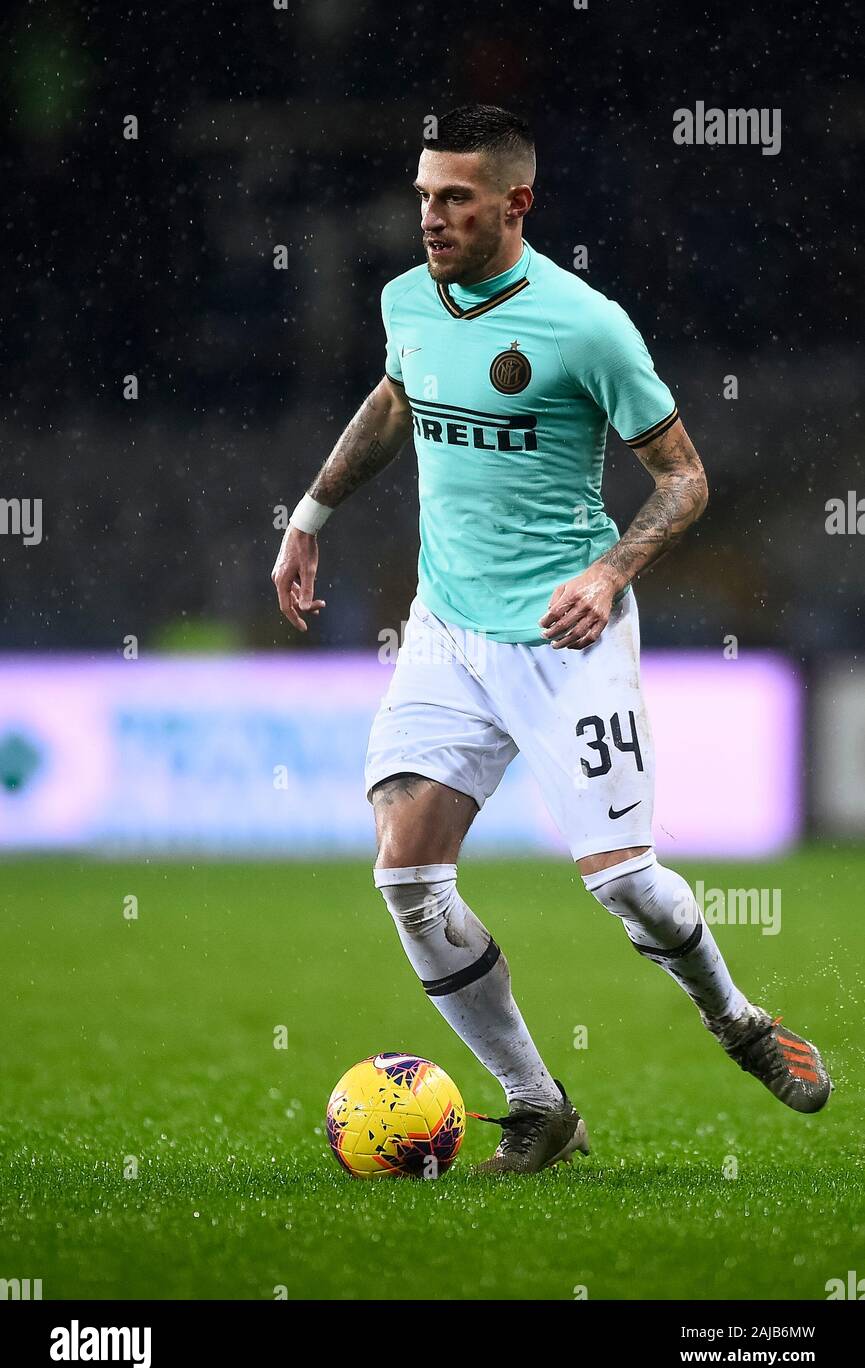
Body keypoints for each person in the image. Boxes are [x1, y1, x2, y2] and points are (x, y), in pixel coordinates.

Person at [272, 104, 831, 1175]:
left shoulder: (585, 327)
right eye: (423, 196)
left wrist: (610, 569)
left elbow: (685, 478)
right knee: (406, 874)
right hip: (446, 630)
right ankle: (539, 1105)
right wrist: (309, 517)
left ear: (516, 203)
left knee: (623, 880)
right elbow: (397, 397)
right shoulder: (407, 298)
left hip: (564, 636)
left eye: (456, 199)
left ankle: (739, 1021)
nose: (430, 217)